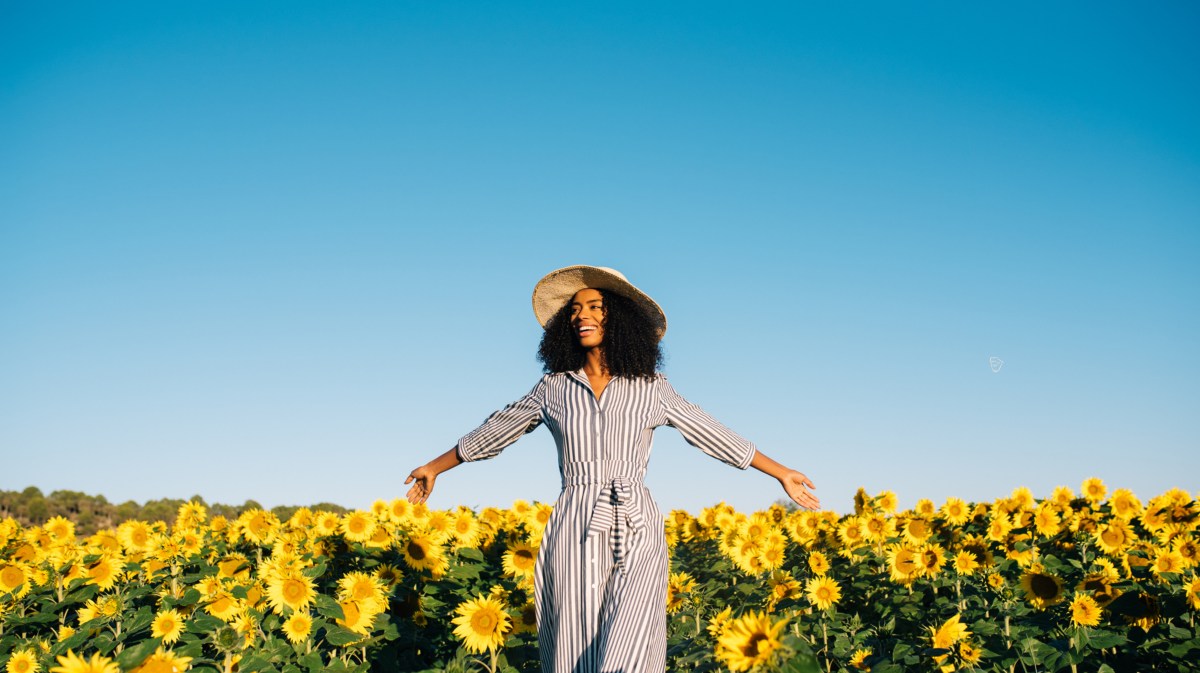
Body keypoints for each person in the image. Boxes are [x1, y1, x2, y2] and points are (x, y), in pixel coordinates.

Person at [405, 265, 819, 673]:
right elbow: (497, 430)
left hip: (636, 520)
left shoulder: (652, 387)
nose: (582, 315)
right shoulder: (554, 388)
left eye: (595, 306)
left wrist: (781, 471)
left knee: (632, 641)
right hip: (575, 521)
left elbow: (709, 431)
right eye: (575, 309)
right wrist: (435, 467)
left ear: (619, 318)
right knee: (574, 640)